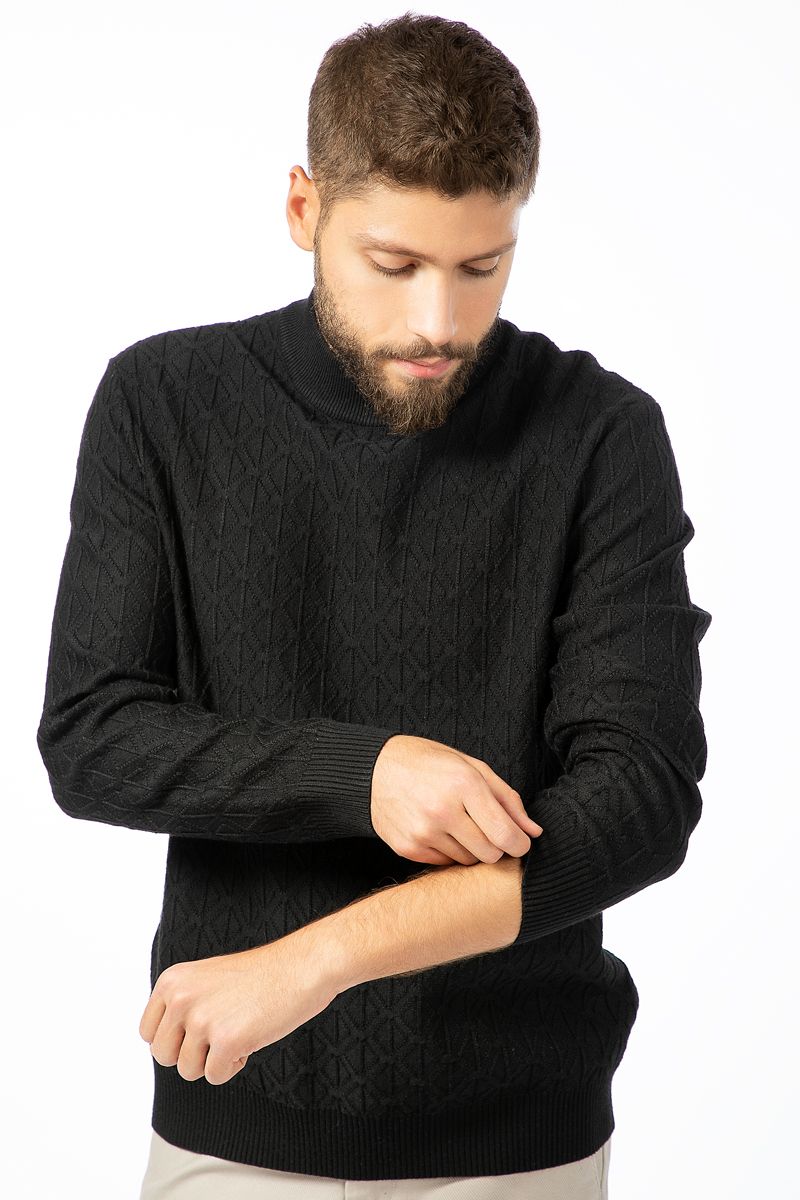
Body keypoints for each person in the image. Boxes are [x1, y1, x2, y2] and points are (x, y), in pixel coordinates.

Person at [36, 12, 712, 1199]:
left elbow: (639, 803)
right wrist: (367, 774)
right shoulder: (161, 402)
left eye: (480, 267)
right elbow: (94, 737)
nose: (438, 324)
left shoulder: (600, 434)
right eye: (393, 266)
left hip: (520, 1145)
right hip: (235, 1126)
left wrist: (319, 961)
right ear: (304, 209)